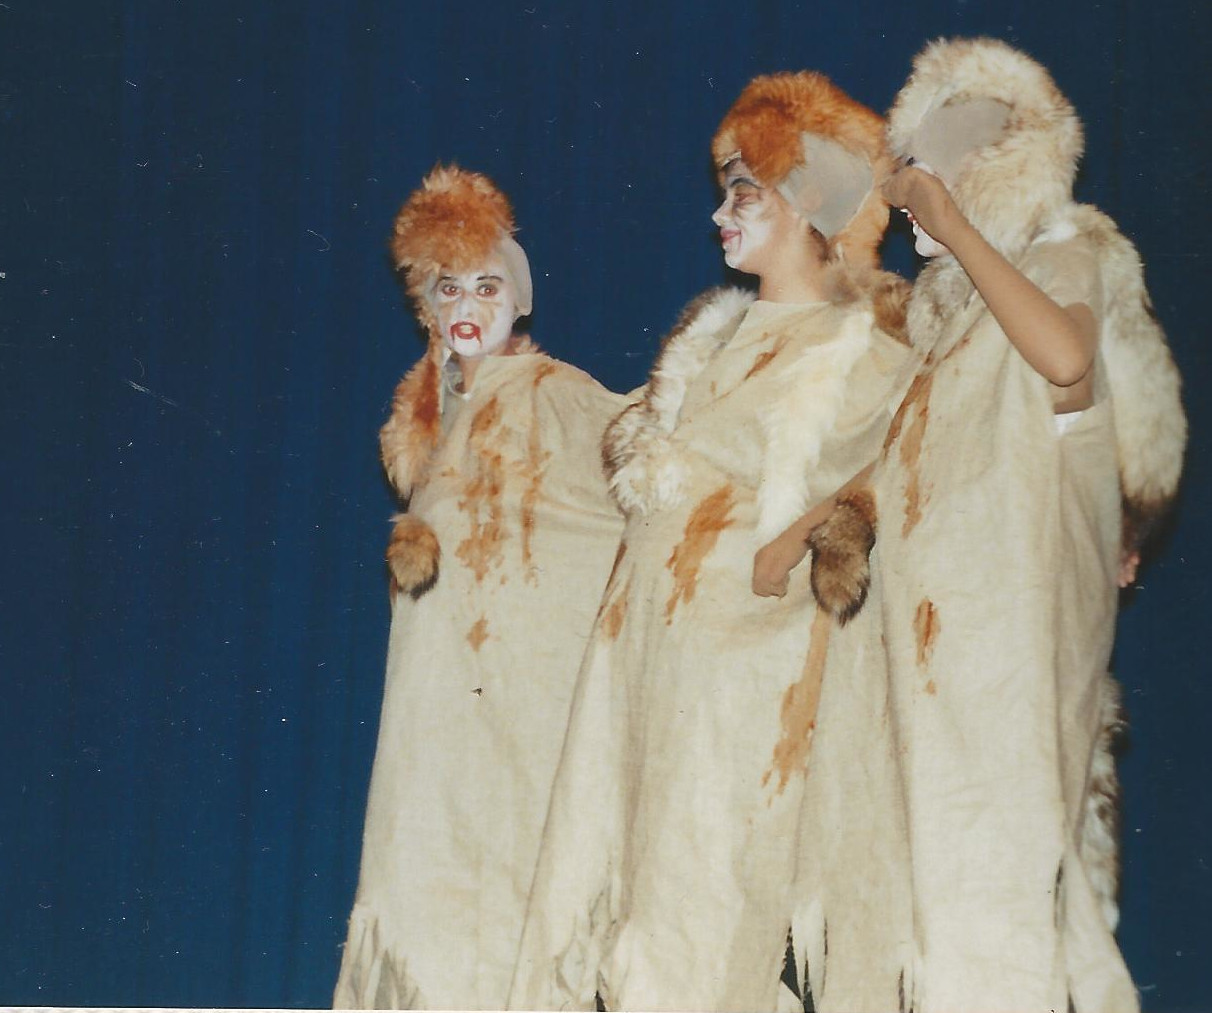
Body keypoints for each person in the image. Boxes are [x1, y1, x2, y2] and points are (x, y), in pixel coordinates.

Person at [509, 72, 917, 1012]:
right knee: (631, 898)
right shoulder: (707, 343)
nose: (718, 215)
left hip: (751, 689)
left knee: (713, 909)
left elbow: (895, 469)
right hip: (652, 660)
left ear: (806, 199)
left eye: (744, 192)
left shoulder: (859, 347)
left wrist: (797, 536)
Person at [875, 38, 1186, 1012]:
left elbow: (1066, 359)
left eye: (933, 170)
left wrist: (955, 228)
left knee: (1003, 864)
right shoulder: (947, 317)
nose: (912, 194)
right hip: (947, 632)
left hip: (1017, 622)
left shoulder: (1067, 250)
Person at [333, 165, 628, 1010]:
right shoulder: (430, 434)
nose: (467, 303)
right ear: (426, 304)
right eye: (448, 286)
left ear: (518, 297)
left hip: (519, 717)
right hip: (435, 724)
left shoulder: (558, 395)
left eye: (487, 284)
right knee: (423, 884)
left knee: (512, 889)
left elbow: (646, 459)